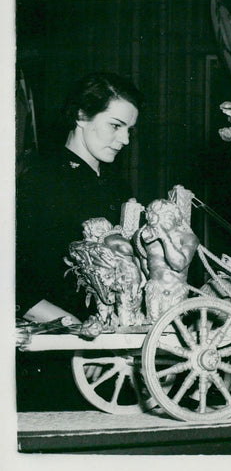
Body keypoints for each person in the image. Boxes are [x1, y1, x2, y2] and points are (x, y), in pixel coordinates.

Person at [16, 72, 144, 324]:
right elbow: (14, 280)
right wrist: (77, 331)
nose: (125, 140)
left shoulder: (119, 188)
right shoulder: (38, 180)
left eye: (130, 130)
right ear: (81, 115)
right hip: (57, 340)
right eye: (115, 125)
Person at [134, 198, 199, 321]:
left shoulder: (188, 238)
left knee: (171, 329)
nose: (155, 219)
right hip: (154, 290)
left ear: (174, 216)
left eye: (164, 215)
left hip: (176, 289)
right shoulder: (146, 238)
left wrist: (164, 237)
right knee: (152, 329)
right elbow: (143, 261)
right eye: (152, 215)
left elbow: (179, 265)